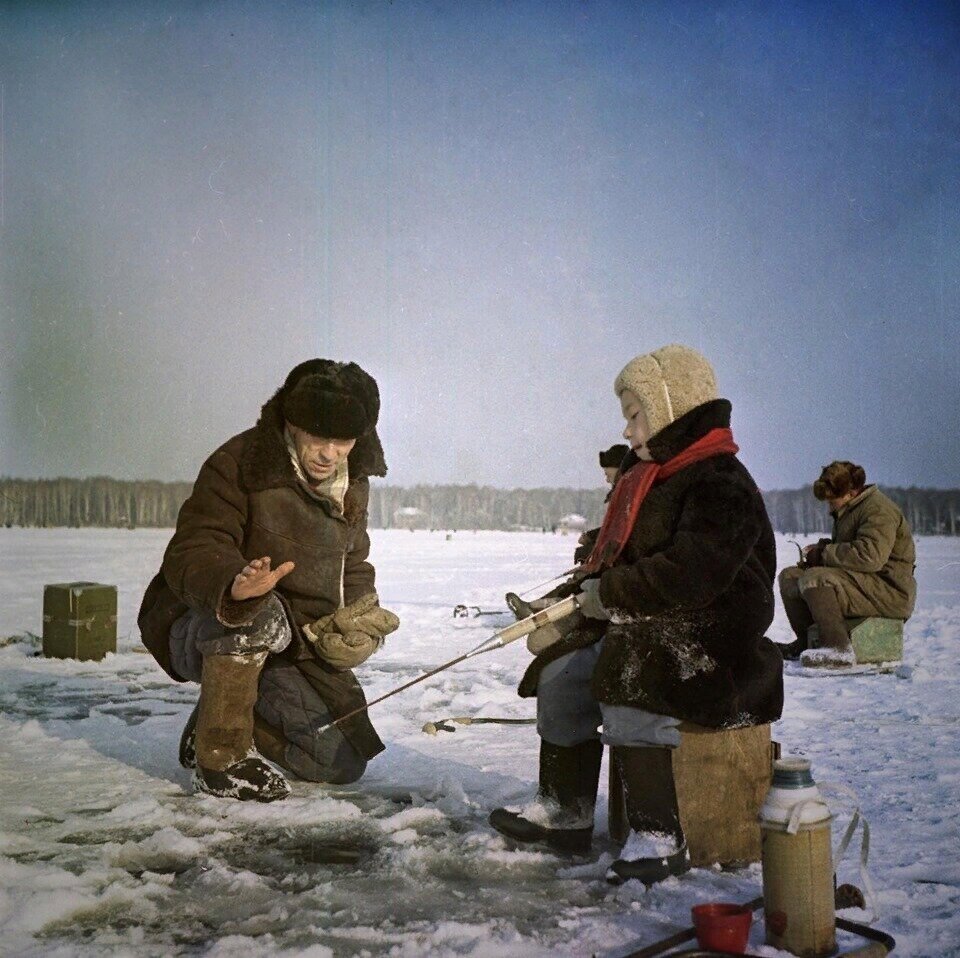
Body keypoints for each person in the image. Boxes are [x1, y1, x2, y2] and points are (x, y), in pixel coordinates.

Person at [489, 344, 783, 884]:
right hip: (653, 617)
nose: (627, 431)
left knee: (630, 663)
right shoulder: (651, 475)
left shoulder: (720, 479)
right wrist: (589, 589)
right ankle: (565, 811)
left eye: (634, 414)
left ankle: (658, 834)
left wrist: (615, 593)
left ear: (672, 406)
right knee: (564, 669)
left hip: (715, 630)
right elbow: (627, 556)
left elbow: (694, 570)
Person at [138, 359, 399, 802]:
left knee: (339, 760)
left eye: (343, 441)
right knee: (261, 614)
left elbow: (354, 561)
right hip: (202, 621)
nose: (329, 453)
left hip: (294, 641)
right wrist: (233, 584)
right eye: (319, 437)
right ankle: (220, 758)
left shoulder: (351, 483)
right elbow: (194, 547)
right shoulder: (239, 462)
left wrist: (355, 616)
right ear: (293, 425)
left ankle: (214, 721)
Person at [777, 461, 916, 667]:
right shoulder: (851, 510)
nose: (829, 506)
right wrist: (822, 548)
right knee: (790, 576)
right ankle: (808, 643)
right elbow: (852, 549)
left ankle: (838, 649)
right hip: (866, 585)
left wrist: (824, 554)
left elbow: (870, 557)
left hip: (889, 592)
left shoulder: (878, 510)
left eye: (833, 501)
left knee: (816, 579)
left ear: (851, 493)